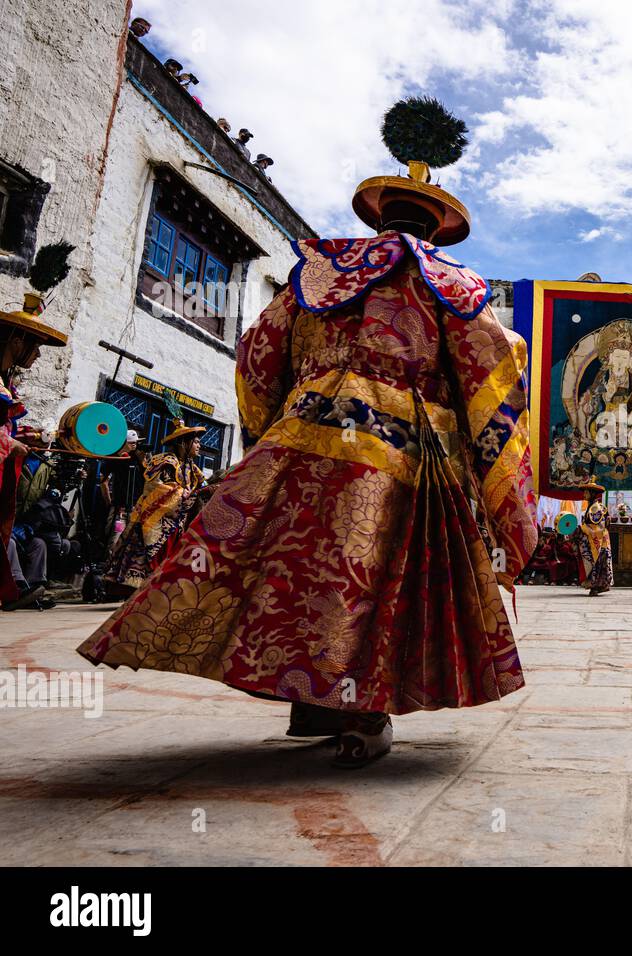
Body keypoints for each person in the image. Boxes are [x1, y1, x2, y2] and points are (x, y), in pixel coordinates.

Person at [79, 98, 536, 768]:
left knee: (302, 572)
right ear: (435, 227)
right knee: (372, 578)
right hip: (399, 448)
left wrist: (278, 434)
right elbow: (492, 373)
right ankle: (362, 711)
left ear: (378, 214)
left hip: (303, 439)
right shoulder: (451, 285)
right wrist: (490, 479)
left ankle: (314, 704)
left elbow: (257, 356)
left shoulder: (314, 277)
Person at [1, 245, 72, 607]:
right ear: (16, 341)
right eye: (35, 345)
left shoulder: (7, 387)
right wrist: (9, 445)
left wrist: (22, 437)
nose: (38, 354)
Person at [100, 414, 207, 594]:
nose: (199, 446)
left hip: (175, 520)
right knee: (145, 554)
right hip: (154, 518)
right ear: (183, 443)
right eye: (195, 442)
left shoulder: (191, 467)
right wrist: (182, 493)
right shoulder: (164, 461)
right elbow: (155, 487)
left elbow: (202, 485)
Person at [575, 479, 613, 595]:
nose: (584, 494)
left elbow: (597, 526)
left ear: (592, 494)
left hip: (597, 540)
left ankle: (595, 587)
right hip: (596, 539)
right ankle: (596, 586)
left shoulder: (596, 508)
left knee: (597, 563)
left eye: (586, 492)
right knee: (597, 563)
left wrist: (581, 528)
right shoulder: (592, 506)